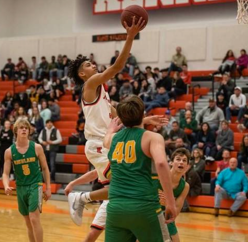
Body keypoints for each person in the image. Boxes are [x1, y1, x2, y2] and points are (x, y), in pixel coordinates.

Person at [65, 18, 169, 241]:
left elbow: (120, 114)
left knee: (120, 191)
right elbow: (117, 67)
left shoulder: (101, 92)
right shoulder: (90, 86)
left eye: (92, 63)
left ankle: (99, 215)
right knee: (122, 187)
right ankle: (81, 198)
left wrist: (147, 118)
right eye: (87, 65)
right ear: (82, 75)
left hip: (107, 143)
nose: (93, 65)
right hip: (99, 144)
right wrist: (130, 36)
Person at [103, 96, 176, 242]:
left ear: (122, 119)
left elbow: (106, 140)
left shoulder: (112, 139)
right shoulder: (152, 137)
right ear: (143, 113)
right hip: (144, 206)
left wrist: (110, 130)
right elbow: (161, 163)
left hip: (115, 208)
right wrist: (170, 202)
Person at [2, 118, 51, 242]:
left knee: (34, 218)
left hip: (36, 185)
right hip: (21, 187)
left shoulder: (37, 147)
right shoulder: (9, 152)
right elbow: (5, 173)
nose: (24, 129)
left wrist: (48, 188)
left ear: (29, 131)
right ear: (16, 131)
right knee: (28, 222)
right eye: (21, 127)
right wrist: (6, 185)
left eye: (26, 128)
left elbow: (45, 168)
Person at [155, 148, 190, 242]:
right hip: (150, 212)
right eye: (178, 159)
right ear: (171, 162)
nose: (181, 162)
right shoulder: (158, 176)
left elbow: (176, 212)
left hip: (167, 217)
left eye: (184, 160)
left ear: (187, 166)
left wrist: (168, 203)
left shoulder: (185, 186)